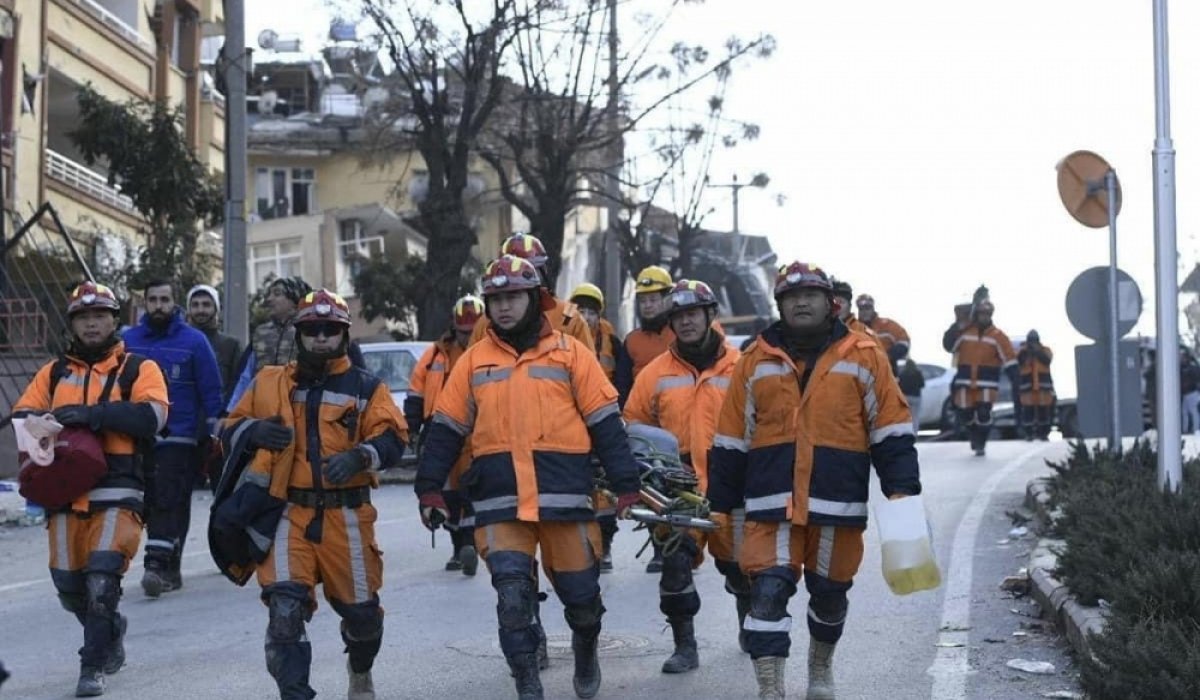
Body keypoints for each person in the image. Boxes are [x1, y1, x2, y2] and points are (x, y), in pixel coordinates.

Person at [415, 255, 641, 700]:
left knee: (582, 600)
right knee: (513, 601)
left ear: (536, 299)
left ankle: (585, 646)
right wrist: (429, 489)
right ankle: (528, 685)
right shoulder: (474, 361)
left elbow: (605, 423)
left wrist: (626, 484)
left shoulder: (571, 352)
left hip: (565, 497)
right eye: (495, 299)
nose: (503, 307)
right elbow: (445, 429)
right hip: (500, 500)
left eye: (513, 296)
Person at [708, 261, 922, 699]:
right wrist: (721, 507)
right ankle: (771, 690)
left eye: (810, 295)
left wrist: (902, 492)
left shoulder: (864, 355)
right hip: (770, 507)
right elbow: (731, 438)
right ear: (780, 306)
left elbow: (891, 429)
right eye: (791, 296)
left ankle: (820, 668)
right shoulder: (754, 360)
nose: (801, 301)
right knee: (766, 594)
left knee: (829, 597)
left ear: (832, 303)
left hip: (836, 506)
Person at [214, 289, 407, 700]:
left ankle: (360, 669)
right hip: (288, 512)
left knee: (363, 618)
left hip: (348, 517)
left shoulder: (367, 388)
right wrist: (252, 432)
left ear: (343, 335)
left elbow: (394, 439)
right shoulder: (269, 382)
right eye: (313, 330)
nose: (321, 337)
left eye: (330, 329)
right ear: (299, 334)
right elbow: (227, 427)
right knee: (284, 613)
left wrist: (361, 456)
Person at [13, 281, 168, 697]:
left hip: (119, 490)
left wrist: (92, 415)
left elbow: (151, 418)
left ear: (115, 320)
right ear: (73, 324)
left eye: (100, 315)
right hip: (63, 491)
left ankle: (92, 666)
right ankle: (111, 631)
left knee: (102, 581)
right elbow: (22, 416)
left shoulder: (139, 369)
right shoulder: (53, 371)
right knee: (69, 586)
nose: (92, 323)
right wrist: (36, 422)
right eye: (84, 317)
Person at [623, 279, 747, 674]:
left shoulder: (742, 366)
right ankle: (684, 646)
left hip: (734, 487)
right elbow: (633, 425)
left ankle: (749, 619)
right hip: (675, 489)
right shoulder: (655, 373)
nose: (686, 322)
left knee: (740, 567)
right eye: (678, 316)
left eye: (693, 313)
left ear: (711, 316)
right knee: (674, 568)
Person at [122, 280, 224, 597]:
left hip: (179, 437)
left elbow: (211, 389)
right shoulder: (128, 341)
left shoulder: (194, 342)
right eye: (152, 299)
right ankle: (164, 562)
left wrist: (213, 432)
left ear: (174, 303)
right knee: (151, 502)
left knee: (171, 498)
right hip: (137, 437)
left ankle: (161, 567)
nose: (158, 306)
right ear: (144, 303)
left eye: (164, 299)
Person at [405, 295, 485, 576]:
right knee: (447, 495)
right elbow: (416, 390)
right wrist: (413, 427)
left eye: (472, 331)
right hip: (442, 433)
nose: (467, 336)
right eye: (463, 332)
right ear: (454, 326)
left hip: (478, 434)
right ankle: (458, 546)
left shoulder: (489, 352)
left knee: (473, 491)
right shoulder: (435, 355)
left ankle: (470, 545)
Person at [613, 264, 676, 573]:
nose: (648, 305)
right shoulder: (632, 341)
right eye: (643, 299)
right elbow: (622, 384)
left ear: (668, 298)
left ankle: (689, 541)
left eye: (654, 298)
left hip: (680, 421)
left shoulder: (682, 331)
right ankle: (660, 545)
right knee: (652, 485)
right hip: (646, 428)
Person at [568, 282, 629, 572]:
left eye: (590, 311)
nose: (585, 317)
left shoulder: (613, 344)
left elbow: (623, 382)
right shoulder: (562, 340)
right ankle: (581, 548)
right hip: (572, 425)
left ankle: (604, 546)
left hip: (602, 420)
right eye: (580, 310)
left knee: (605, 492)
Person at [469, 233, 593, 349]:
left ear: (543, 272)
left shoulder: (570, 316)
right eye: (515, 273)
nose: (522, 280)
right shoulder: (485, 323)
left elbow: (588, 368)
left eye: (528, 272)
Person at [942, 297, 1017, 456]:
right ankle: (973, 434)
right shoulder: (964, 331)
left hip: (987, 383)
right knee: (965, 414)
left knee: (984, 414)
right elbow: (949, 346)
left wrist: (1016, 379)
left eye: (988, 314)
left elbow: (1009, 358)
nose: (985, 317)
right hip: (965, 381)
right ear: (976, 314)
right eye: (982, 313)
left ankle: (981, 441)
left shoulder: (998, 336)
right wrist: (956, 324)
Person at [226, 276, 312, 411]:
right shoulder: (261, 333)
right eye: (269, 294)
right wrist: (230, 411)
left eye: (277, 294)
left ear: (295, 300)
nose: (269, 299)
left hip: (300, 411)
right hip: (263, 410)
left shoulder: (310, 332)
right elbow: (245, 377)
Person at [185, 284, 243, 403]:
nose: (200, 310)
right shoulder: (178, 343)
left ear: (216, 308)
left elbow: (239, 387)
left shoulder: (231, 345)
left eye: (206, 305)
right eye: (195, 305)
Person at [856, 294, 911, 374]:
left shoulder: (887, 325)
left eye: (867, 308)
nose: (864, 312)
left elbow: (904, 340)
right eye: (861, 309)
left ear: (873, 309)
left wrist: (890, 355)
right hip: (862, 372)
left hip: (887, 371)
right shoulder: (853, 328)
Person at [1017, 331, 1055, 440]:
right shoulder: (1022, 351)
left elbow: (1047, 360)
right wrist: (1027, 351)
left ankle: (1044, 434)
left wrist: (1037, 352)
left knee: (1044, 411)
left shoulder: (1045, 350)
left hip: (1043, 388)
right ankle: (1029, 434)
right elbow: (1019, 361)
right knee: (1028, 412)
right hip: (1027, 388)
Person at [898, 358, 926, 434]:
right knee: (915, 417)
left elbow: (899, 386)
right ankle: (914, 433)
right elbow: (922, 384)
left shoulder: (902, 374)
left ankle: (906, 433)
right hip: (916, 397)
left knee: (905, 417)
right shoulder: (918, 373)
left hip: (906, 397)